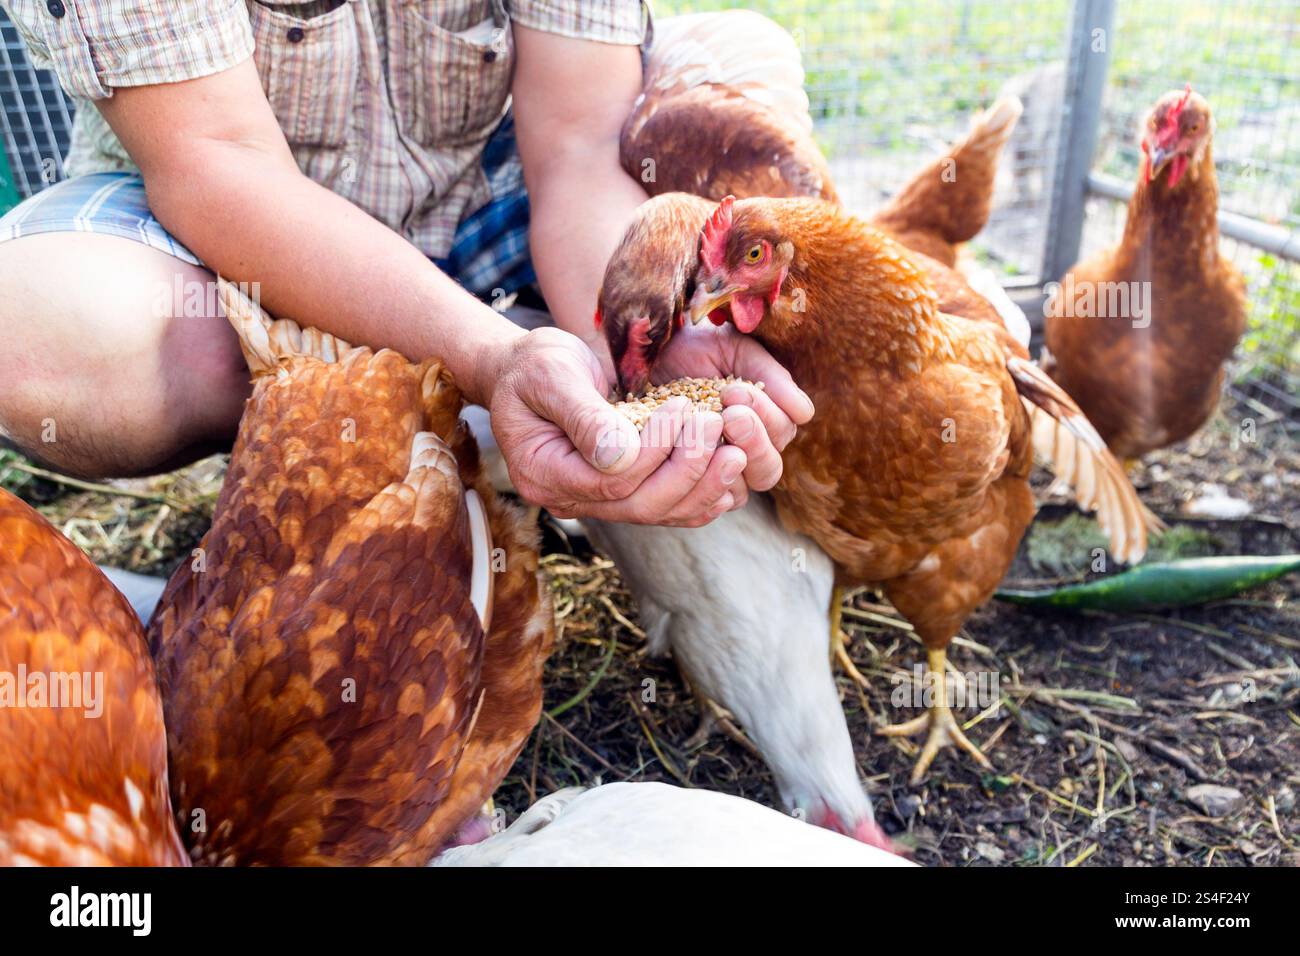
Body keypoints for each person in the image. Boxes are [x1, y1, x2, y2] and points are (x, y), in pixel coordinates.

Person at [0, 0, 812, 529]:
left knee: (741, 66)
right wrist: (492, 356)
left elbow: (575, 144)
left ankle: (543, 395)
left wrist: (639, 343)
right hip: (214, 227)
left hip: (474, 199)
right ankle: (445, 403)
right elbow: (214, 159)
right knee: (34, 339)